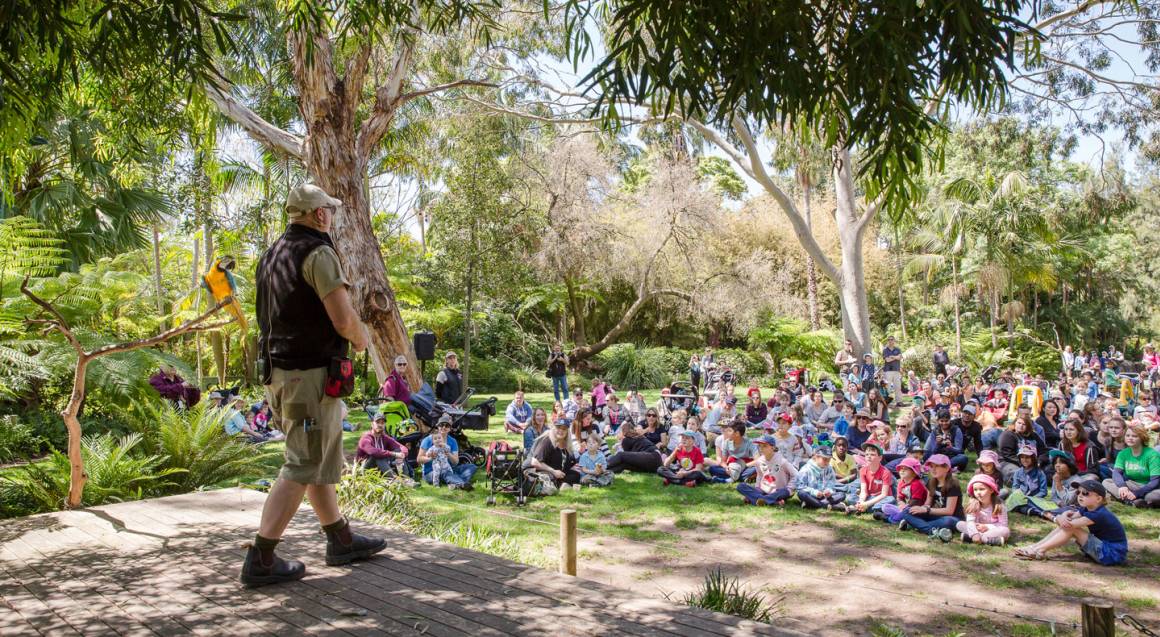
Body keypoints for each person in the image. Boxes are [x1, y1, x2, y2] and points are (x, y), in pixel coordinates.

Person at [241, 183, 384, 588]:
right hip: (308, 378)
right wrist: (360, 339)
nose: (332, 216)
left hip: (281, 375)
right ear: (319, 215)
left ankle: (340, 539)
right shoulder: (318, 253)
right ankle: (262, 557)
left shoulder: (272, 255)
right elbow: (342, 317)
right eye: (330, 210)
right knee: (302, 463)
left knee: (316, 457)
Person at [1014, 480, 1127, 565]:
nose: (1080, 495)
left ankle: (1039, 551)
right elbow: (1070, 518)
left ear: (1098, 499)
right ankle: (1035, 547)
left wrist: (1059, 517)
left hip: (1112, 554)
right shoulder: (1087, 508)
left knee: (1071, 529)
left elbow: (1069, 525)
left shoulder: (1099, 514)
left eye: (1086, 493)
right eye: (1078, 492)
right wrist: (1062, 516)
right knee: (1068, 527)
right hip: (1103, 549)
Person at [898, 454, 963, 542]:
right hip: (934, 515)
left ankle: (917, 526)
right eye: (931, 467)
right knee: (907, 511)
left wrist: (926, 510)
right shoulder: (931, 482)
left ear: (947, 468)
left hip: (951, 518)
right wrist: (921, 508)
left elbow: (949, 511)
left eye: (937, 466)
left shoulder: (953, 485)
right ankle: (931, 530)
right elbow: (928, 503)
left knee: (948, 521)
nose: (933, 469)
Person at [1103, 423, 1160, 508]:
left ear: (1142, 438)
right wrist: (1122, 486)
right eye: (1128, 435)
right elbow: (1116, 473)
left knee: (1152, 497)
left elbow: (1155, 481)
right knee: (1106, 482)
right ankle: (1134, 501)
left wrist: (1137, 493)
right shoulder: (1123, 453)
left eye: (1134, 436)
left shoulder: (1152, 454)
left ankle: (1131, 499)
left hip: (1150, 486)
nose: (1130, 438)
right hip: (1132, 484)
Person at [417, 415, 478, 489]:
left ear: (450, 428)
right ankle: (461, 483)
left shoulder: (452, 441)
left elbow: (456, 462)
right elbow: (419, 459)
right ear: (437, 426)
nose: (444, 427)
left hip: (448, 468)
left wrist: (448, 454)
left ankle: (454, 483)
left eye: (447, 426)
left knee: (472, 467)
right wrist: (430, 458)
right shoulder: (428, 440)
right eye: (441, 425)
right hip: (431, 471)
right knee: (444, 473)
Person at [738, 435, 797, 505]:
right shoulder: (759, 461)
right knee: (741, 486)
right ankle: (774, 502)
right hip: (763, 489)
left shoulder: (782, 461)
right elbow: (759, 476)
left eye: (765, 446)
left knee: (784, 491)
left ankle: (755, 499)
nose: (761, 449)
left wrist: (790, 488)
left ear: (773, 447)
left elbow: (795, 475)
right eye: (760, 446)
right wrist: (757, 487)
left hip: (778, 491)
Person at [526, 420, 581, 493]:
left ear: (567, 431)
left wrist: (573, 466)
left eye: (564, 429)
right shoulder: (546, 440)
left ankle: (561, 486)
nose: (561, 431)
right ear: (553, 428)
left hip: (557, 473)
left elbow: (568, 464)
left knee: (575, 474)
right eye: (558, 428)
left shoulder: (567, 445)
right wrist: (553, 471)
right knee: (550, 477)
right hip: (538, 470)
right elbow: (535, 462)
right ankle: (560, 486)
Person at [956, 474, 1009, 546]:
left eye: (981, 489)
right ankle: (989, 540)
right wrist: (975, 533)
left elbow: (1003, 524)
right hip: (976, 529)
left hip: (992, 530)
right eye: (975, 490)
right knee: (959, 524)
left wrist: (987, 527)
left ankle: (976, 538)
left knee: (1005, 530)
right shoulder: (973, 504)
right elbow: (970, 521)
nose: (978, 493)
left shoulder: (999, 506)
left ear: (991, 490)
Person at [356, 413, 412, 481]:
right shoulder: (365, 438)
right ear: (372, 424)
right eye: (377, 422)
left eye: (382, 423)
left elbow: (402, 448)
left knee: (398, 451)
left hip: (381, 468)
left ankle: (407, 479)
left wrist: (402, 455)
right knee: (377, 455)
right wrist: (394, 454)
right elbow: (372, 452)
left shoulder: (384, 437)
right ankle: (396, 480)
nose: (380, 425)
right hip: (365, 470)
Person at [796, 446, 848, 510]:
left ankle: (812, 505)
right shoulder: (806, 469)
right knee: (801, 493)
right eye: (825, 459)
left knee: (842, 495)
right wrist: (814, 492)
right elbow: (800, 487)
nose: (827, 462)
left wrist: (828, 491)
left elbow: (832, 483)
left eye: (829, 460)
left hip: (824, 497)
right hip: (811, 496)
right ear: (816, 457)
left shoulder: (829, 469)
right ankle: (826, 505)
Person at [849, 442, 894, 515]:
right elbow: (864, 491)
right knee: (850, 498)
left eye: (872, 455)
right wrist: (861, 502)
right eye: (867, 454)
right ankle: (865, 508)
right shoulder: (863, 470)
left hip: (880, 499)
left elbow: (884, 494)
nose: (869, 456)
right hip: (869, 497)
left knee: (890, 499)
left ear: (880, 458)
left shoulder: (886, 472)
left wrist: (866, 504)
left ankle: (861, 508)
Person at [997, 416, 1046, 483]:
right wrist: (1025, 464)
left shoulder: (1034, 435)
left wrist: (1039, 461)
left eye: (1024, 424)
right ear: (1014, 423)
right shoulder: (1007, 434)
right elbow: (1007, 454)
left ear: (1028, 426)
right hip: (1010, 462)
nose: (1021, 426)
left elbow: (1043, 450)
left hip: (1033, 463)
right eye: (1019, 423)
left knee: (1048, 470)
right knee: (1016, 473)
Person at [882, 336, 903, 406]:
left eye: (892, 339)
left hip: (897, 370)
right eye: (889, 340)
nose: (890, 341)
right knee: (887, 387)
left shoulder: (898, 349)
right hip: (888, 371)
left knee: (898, 387)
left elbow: (900, 357)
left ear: (894, 340)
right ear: (888, 341)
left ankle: (899, 401)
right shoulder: (885, 350)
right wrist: (896, 357)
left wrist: (892, 357)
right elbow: (887, 360)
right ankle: (886, 402)